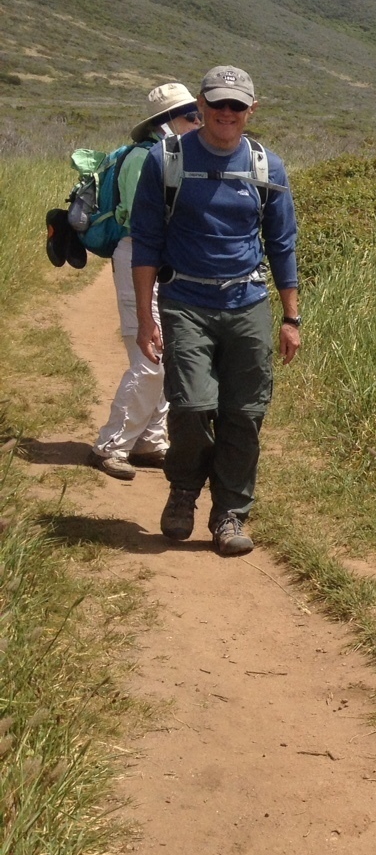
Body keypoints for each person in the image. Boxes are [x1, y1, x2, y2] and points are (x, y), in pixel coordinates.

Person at [130, 66, 300, 557]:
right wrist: (147, 319)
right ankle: (183, 491)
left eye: (237, 106)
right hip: (186, 302)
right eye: (218, 104)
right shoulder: (166, 160)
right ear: (200, 105)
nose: (227, 114)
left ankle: (229, 514)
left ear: (252, 109)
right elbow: (146, 243)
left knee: (244, 415)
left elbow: (282, 244)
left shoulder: (269, 166)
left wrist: (291, 319)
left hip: (247, 304)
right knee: (189, 408)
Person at [88, 84, 203, 480]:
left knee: (164, 351)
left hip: (158, 261)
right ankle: (111, 444)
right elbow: (149, 223)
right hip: (141, 258)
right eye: (192, 116)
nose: (198, 122)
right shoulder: (146, 159)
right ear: (167, 121)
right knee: (150, 354)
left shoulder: (168, 155)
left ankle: (150, 441)